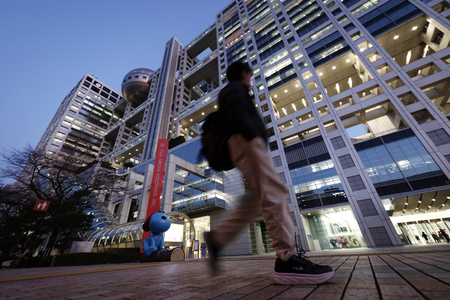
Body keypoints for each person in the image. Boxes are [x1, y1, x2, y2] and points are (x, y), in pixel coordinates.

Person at [203, 61, 334, 285]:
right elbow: (237, 115)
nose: (251, 80)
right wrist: (253, 137)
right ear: (245, 74)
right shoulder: (235, 90)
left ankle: (218, 238)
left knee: (255, 199)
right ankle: (287, 259)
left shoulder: (232, 91)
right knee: (273, 192)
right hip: (247, 140)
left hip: (243, 142)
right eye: (250, 76)